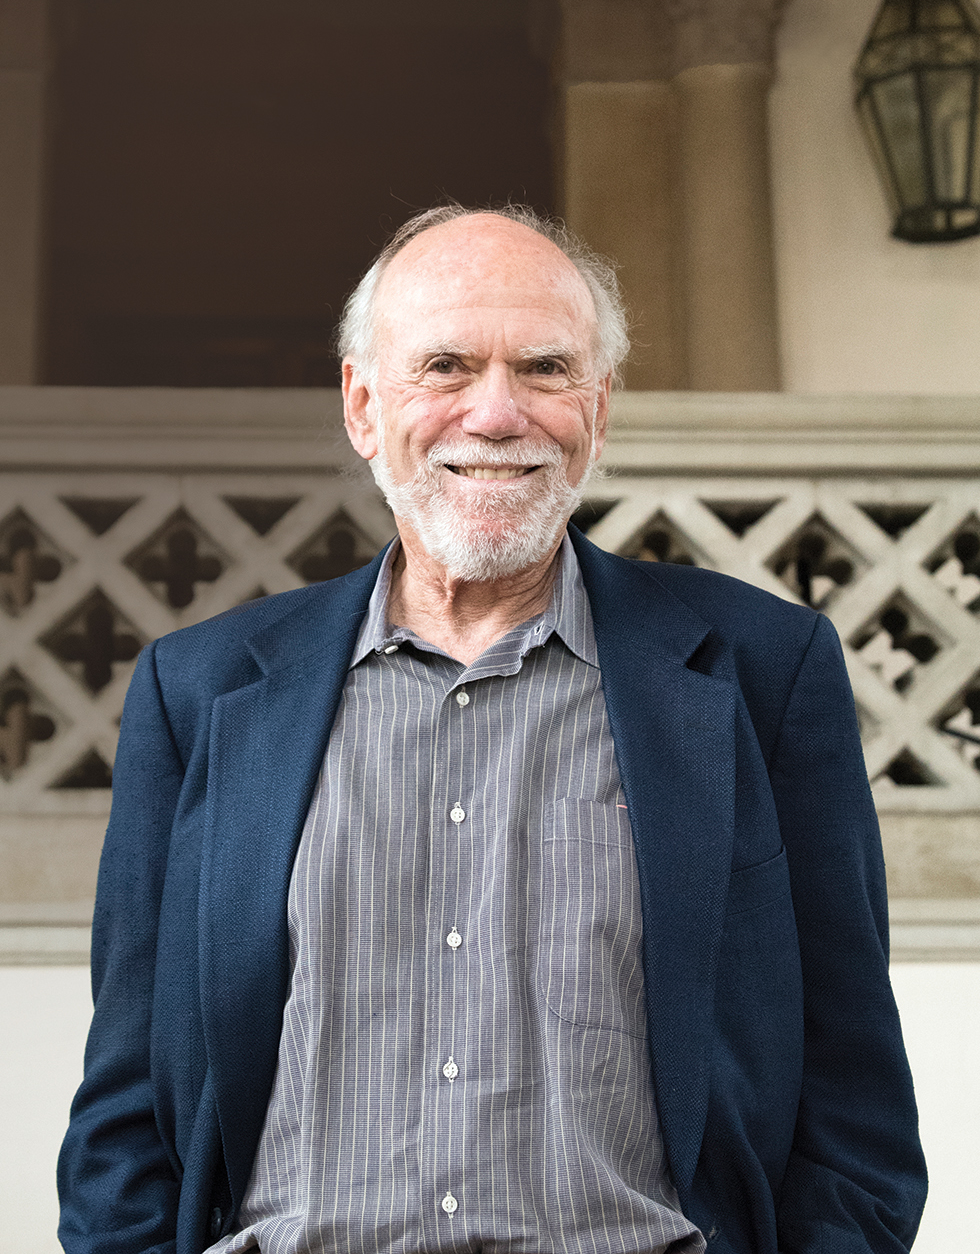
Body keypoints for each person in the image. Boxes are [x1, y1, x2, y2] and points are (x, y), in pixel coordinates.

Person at [58, 204, 926, 1254]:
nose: (496, 412)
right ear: (363, 405)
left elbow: (852, 1100)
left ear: (598, 409)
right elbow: (123, 1113)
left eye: (545, 368)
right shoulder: (197, 692)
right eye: (446, 366)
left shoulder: (761, 673)